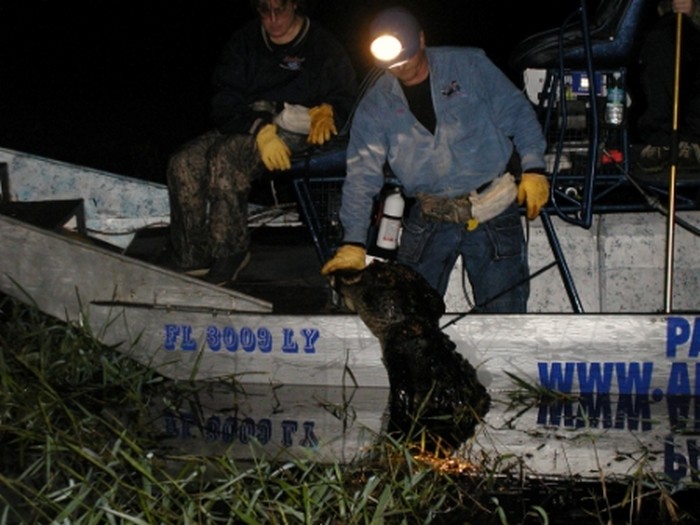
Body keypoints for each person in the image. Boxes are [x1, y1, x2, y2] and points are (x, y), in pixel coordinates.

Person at [321, 6, 550, 313]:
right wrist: (354, 240)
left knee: (505, 312)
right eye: (394, 64)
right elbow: (362, 174)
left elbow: (518, 113)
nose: (402, 69)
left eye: (408, 58)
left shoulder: (469, 65)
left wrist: (534, 167)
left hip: (491, 204)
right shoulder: (376, 104)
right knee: (406, 312)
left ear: (422, 39)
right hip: (430, 212)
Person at [166, 0, 357, 284]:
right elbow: (223, 101)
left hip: (298, 126)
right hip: (252, 123)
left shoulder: (322, 45)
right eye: (264, 10)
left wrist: (329, 111)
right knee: (183, 162)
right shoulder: (244, 41)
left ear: (294, 5)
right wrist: (259, 128)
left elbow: (346, 97)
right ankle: (192, 255)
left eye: (279, 9)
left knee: (227, 156)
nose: (272, 19)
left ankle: (230, 251)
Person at [636, 0, 700, 172]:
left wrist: (695, 9)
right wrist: (672, 6)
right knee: (659, 42)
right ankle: (660, 141)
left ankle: (693, 142)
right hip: (672, 30)